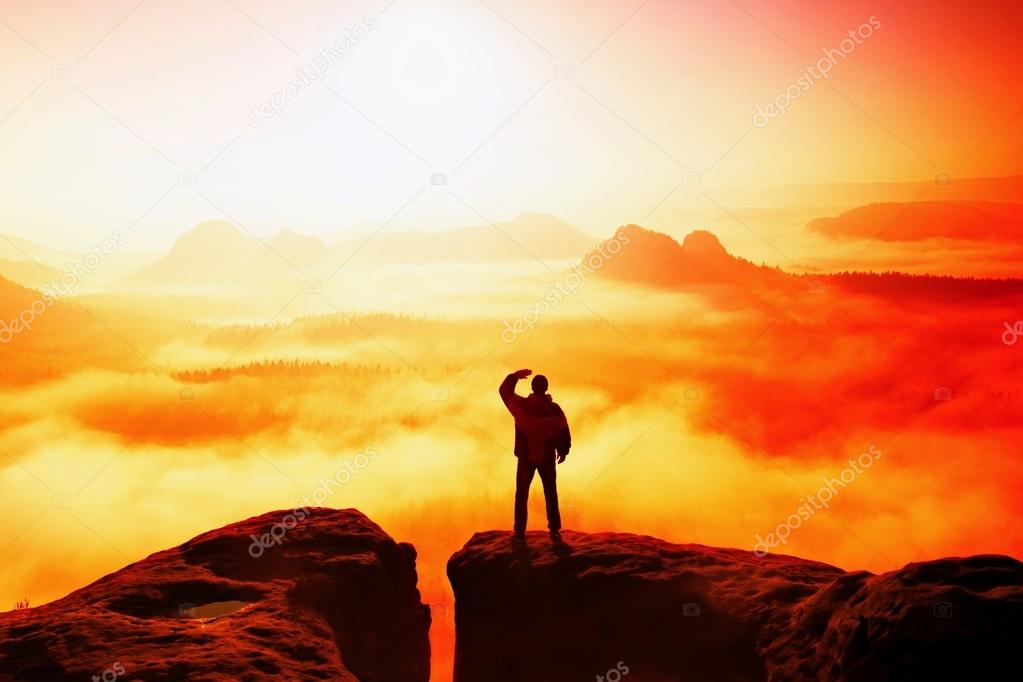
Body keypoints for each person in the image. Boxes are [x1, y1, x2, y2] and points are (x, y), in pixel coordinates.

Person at [498, 368, 571, 542]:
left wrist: (514, 377)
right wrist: (563, 450)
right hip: (546, 457)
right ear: (545, 388)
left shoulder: (521, 405)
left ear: (532, 387)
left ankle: (519, 532)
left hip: (525, 458)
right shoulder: (554, 409)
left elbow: (503, 391)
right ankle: (554, 530)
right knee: (550, 493)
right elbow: (563, 429)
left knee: (522, 494)